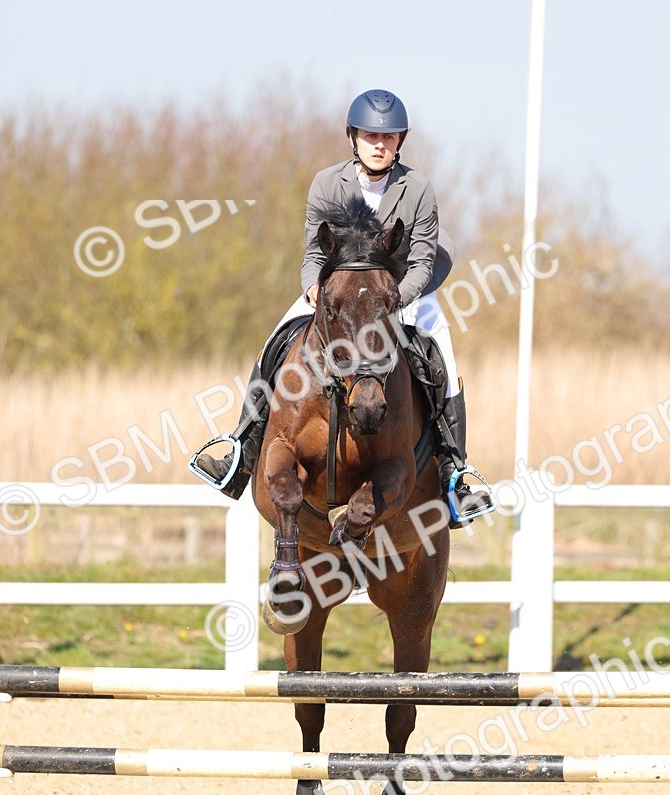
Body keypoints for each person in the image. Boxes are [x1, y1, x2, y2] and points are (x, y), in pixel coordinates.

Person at [191, 88, 493, 526]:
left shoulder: (418, 188)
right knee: (274, 342)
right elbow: (315, 252)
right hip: (339, 295)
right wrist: (313, 289)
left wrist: (396, 300)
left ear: (399, 141)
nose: (379, 144)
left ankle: (455, 473)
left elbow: (423, 258)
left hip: (403, 293)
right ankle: (241, 449)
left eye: (388, 138)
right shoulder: (327, 183)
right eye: (371, 136)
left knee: (444, 353)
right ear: (353, 136)